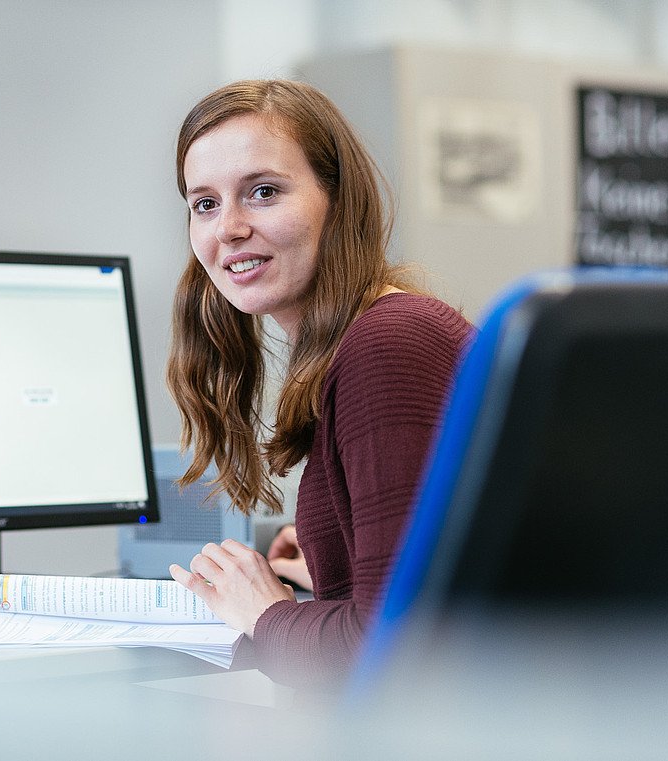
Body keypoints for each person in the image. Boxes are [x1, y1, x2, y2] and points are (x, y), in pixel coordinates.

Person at [166, 79, 474, 687]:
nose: (228, 228)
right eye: (205, 203)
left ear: (338, 200)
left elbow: (399, 659)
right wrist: (337, 562)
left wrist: (267, 613)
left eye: (263, 192)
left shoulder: (389, 346)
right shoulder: (384, 328)